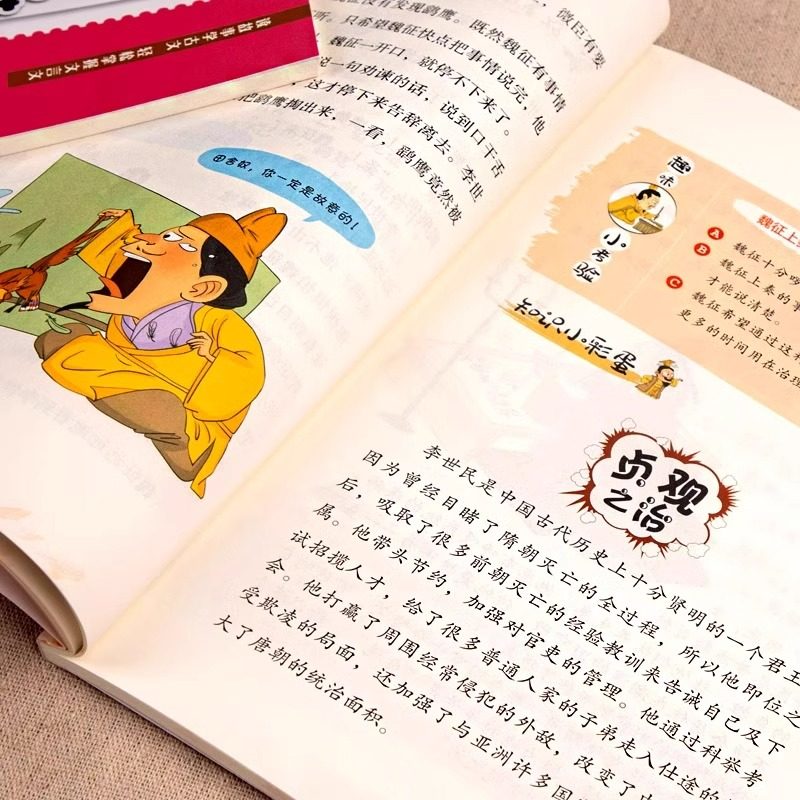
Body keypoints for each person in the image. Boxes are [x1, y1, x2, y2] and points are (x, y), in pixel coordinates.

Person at [34, 206, 286, 497]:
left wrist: (213, 355)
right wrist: (121, 227)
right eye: (168, 236)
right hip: (126, 367)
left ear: (204, 288)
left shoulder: (215, 321)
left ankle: (189, 446)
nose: (152, 241)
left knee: (164, 409)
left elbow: (247, 369)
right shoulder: (140, 278)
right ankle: (153, 409)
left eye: (184, 245)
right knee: (63, 342)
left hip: (186, 401)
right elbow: (123, 254)